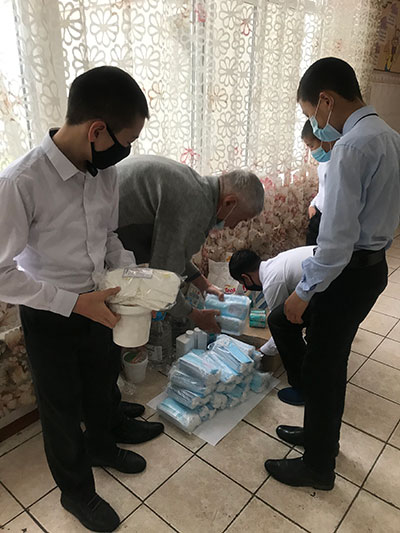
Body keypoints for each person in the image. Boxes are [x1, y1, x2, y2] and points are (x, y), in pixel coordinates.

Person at [0, 66, 164, 532]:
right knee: (61, 409)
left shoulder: (102, 172)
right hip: (49, 312)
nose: (125, 152)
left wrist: (135, 282)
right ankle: (76, 491)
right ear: (96, 131)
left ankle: (104, 446)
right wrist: (74, 304)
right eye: (125, 141)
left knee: (101, 381)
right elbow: (1, 273)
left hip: (99, 300)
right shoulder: (21, 182)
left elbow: (109, 237)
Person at [264, 57, 400, 491]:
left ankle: (318, 466)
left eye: (310, 114)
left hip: (346, 273)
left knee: (323, 365)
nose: (315, 125)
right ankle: (320, 438)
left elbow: (336, 241)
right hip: (371, 268)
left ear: (326, 100)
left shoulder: (351, 147)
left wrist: (304, 290)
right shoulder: (391, 137)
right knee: (328, 361)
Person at [116, 155, 265, 332]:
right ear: (229, 202)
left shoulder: (196, 188)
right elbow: (162, 279)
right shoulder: (194, 207)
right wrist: (195, 315)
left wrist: (205, 285)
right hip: (96, 238)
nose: (233, 226)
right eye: (240, 219)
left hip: (103, 224)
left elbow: (174, 252)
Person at [229, 246, 314, 405]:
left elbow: (282, 329)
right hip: (337, 276)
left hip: (332, 290)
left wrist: (261, 352)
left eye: (243, 283)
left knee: (278, 322)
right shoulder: (275, 262)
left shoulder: (272, 282)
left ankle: (302, 389)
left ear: (246, 277)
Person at [301, 119, 332, 245]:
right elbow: (323, 189)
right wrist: (313, 204)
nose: (311, 151)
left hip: (329, 219)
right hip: (318, 214)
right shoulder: (324, 161)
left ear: (324, 140)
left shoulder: (337, 164)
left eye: (312, 146)